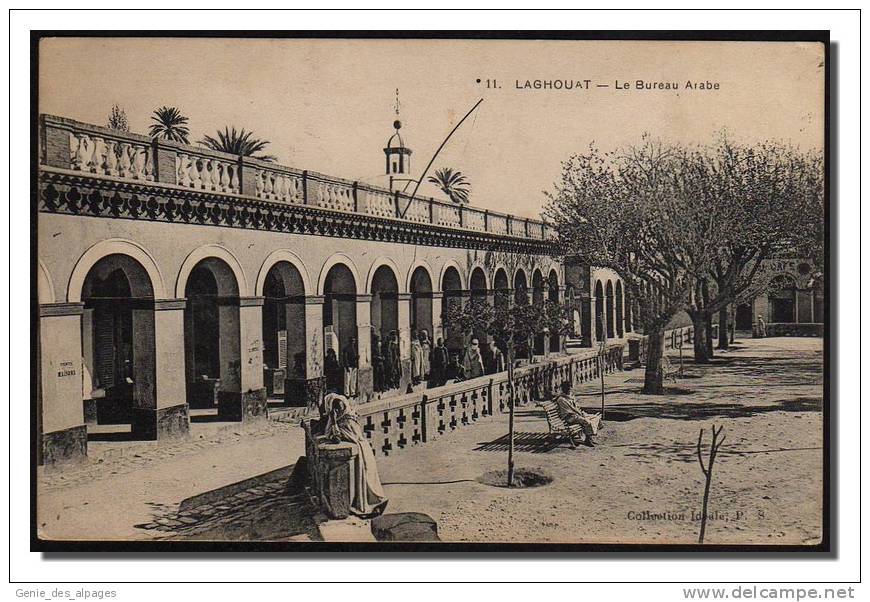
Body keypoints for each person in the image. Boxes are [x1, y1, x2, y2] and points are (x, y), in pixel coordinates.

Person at [322, 393, 388, 518]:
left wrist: (335, 422)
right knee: (362, 478)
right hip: (360, 452)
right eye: (335, 408)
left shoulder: (349, 419)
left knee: (367, 476)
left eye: (340, 406)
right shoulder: (339, 421)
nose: (338, 409)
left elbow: (343, 436)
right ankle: (370, 504)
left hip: (363, 451)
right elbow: (333, 436)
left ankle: (376, 502)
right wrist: (334, 421)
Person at [553, 381, 601, 447]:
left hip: (575, 415)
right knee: (586, 421)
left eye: (570, 388)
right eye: (568, 388)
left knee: (595, 417)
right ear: (564, 389)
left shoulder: (570, 396)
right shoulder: (561, 399)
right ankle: (588, 440)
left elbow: (576, 407)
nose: (569, 390)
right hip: (569, 417)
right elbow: (570, 410)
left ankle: (589, 438)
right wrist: (579, 414)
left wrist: (581, 413)